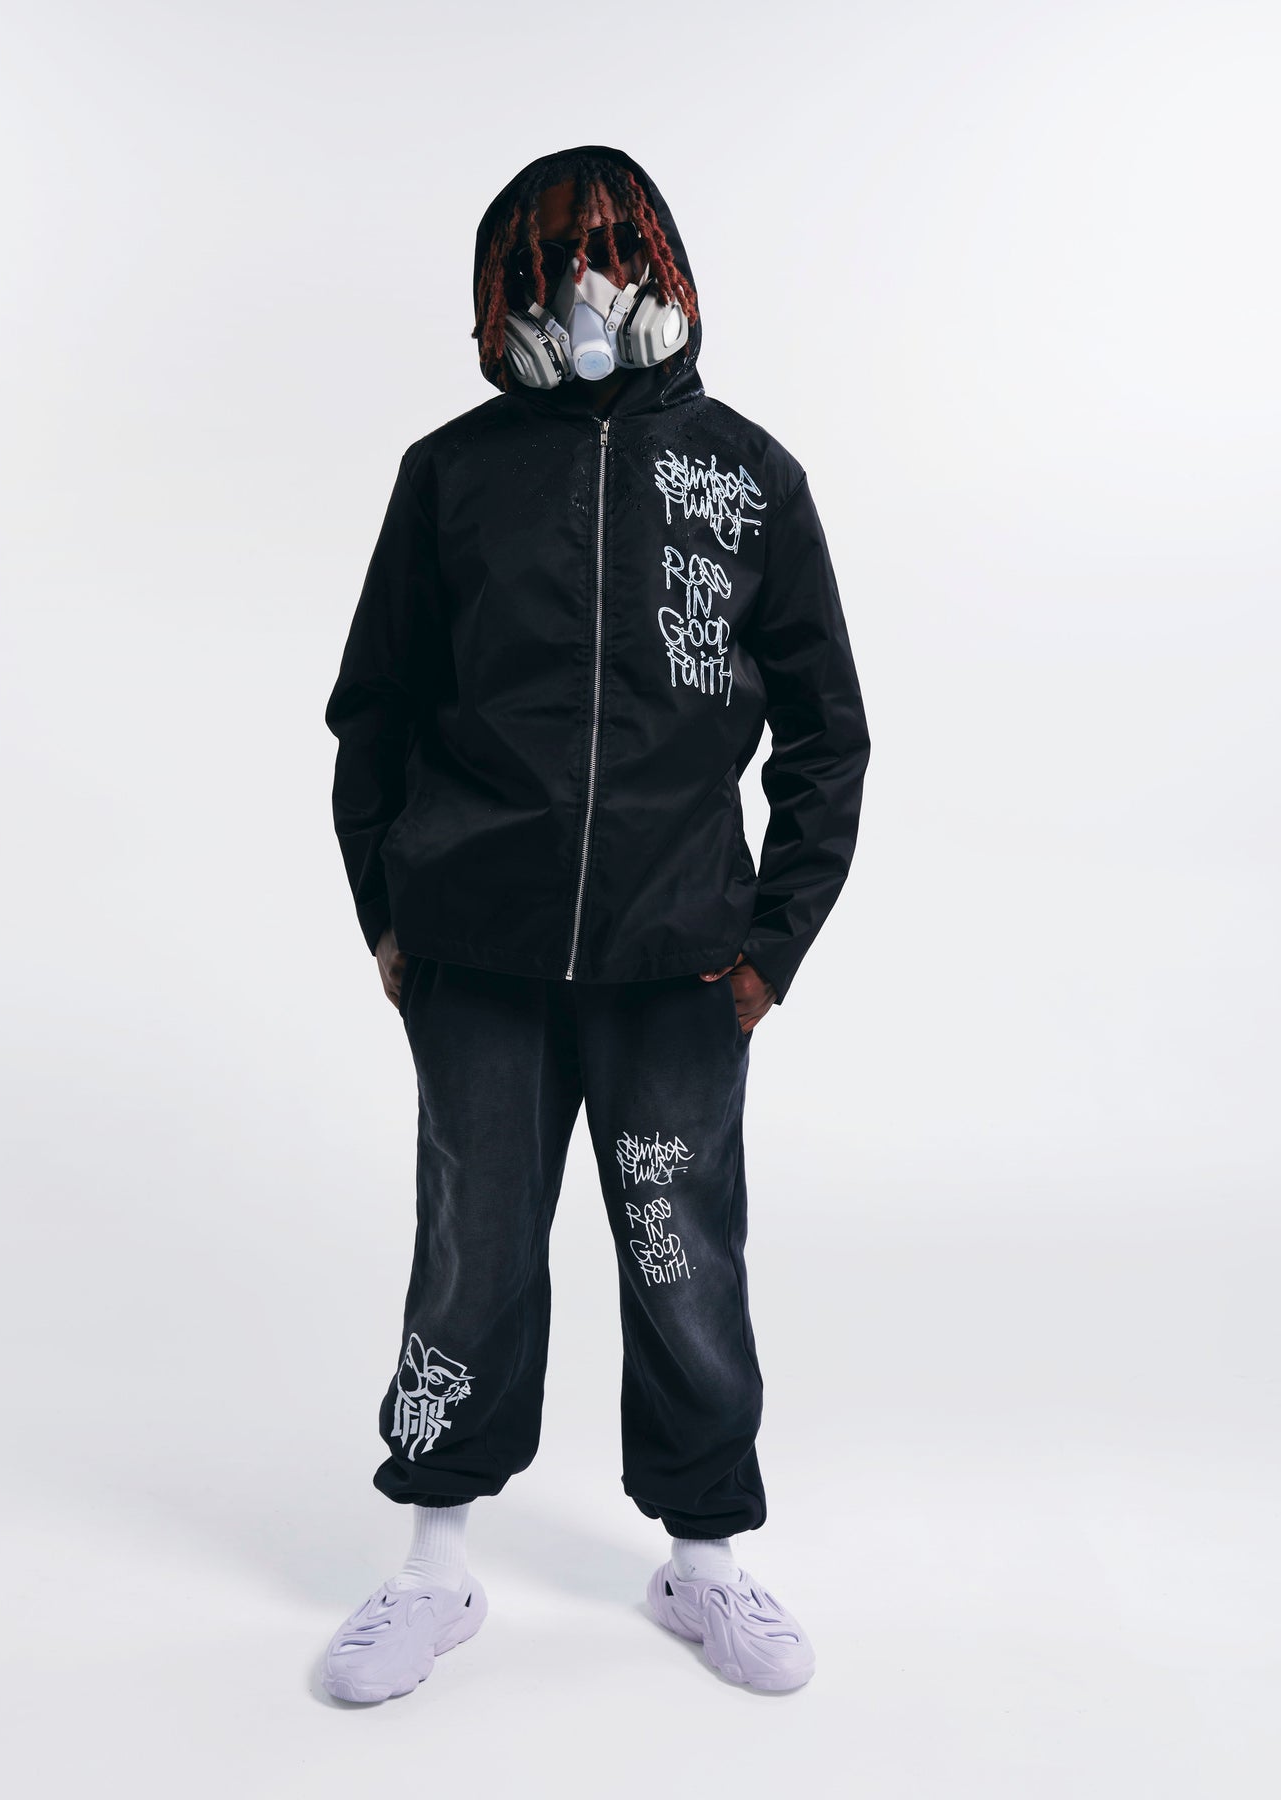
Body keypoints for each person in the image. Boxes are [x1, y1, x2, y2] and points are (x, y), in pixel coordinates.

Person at [320, 145, 870, 1702]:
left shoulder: (749, 477)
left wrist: (771, 947)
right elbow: (375, 710)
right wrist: (391, 912)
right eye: (550, 256)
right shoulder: (452, 475)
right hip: (477, 958)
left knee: (683, 1257)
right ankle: (433, 1564)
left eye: (611, 249)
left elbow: (828, 732)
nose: (583, 281)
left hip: (680, 963)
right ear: (501, 284)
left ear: (662, 264)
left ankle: (706, 1560)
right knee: (471, 1252)